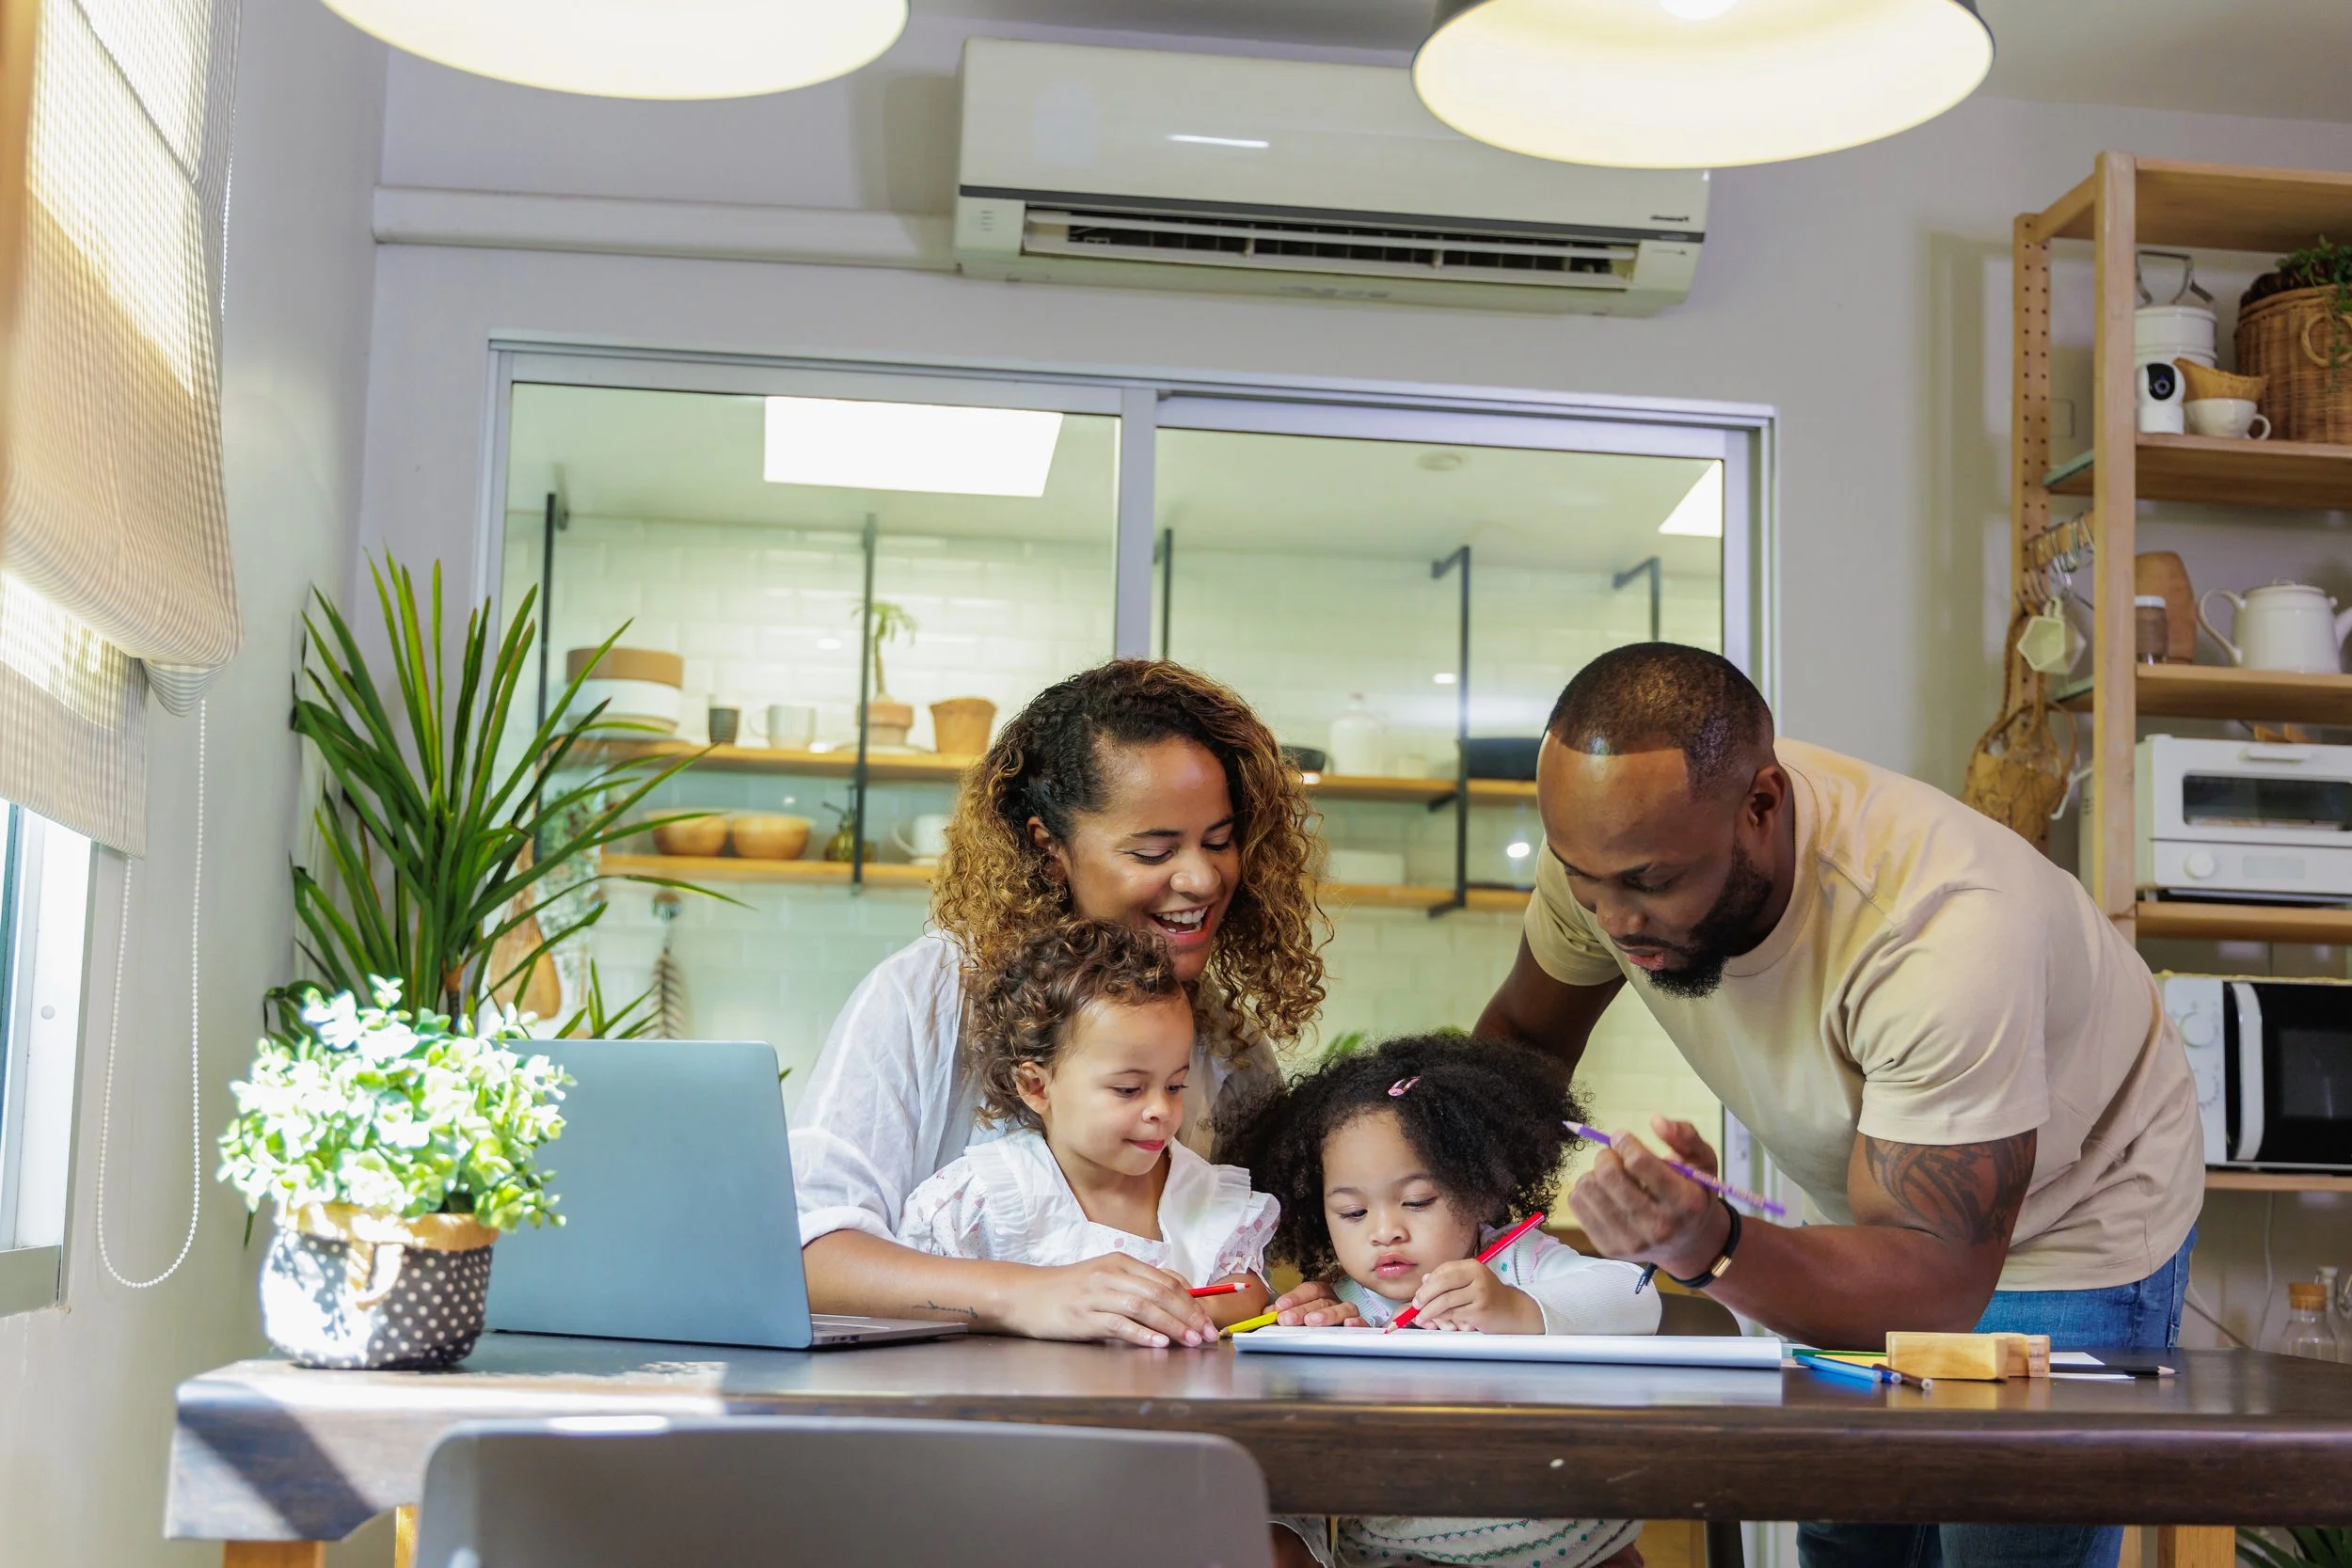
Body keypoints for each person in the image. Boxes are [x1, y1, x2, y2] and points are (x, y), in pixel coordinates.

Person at [1475, 642, 2202, 1568]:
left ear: (1761, 807)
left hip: (2072, 1213)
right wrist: (1433, 1202)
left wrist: (1707, 1242)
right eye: (1584, 877)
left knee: (2000, 1539)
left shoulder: (1939, 929)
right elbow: (1524, 1046)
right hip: (1884, 1210)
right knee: (1852, 1528)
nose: (1613, 917)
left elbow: (1934, 1284)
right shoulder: (1611, 850)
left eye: (1652, 882)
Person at [792, 659, 1360, 1346]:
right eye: (1153, 851)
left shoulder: (1225, 1045)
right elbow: (808, 1256)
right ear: (1049, 847)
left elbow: (1272, 1270)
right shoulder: (929, 999)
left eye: (1219, 840)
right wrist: (1024, 1294)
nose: (1203, 876)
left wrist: (1311, 1299)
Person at [1222, 1034, 1656, 1568]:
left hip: (1578, 1552)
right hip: (1399, 1553)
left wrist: (1519, 1309)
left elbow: (1635, 1296)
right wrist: (1315, 1342)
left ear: (1481, 1189)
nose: (1385, 1231)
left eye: (1417, 1201)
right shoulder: (1345, 1306)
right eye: (1353, 1213)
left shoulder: (1518, 1263)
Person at [898, 918, 1276, 1334]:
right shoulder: (983, 1198)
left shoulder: (1205, 1197)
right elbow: (915, 1302)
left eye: (1174, 1085)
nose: (1161, 1110)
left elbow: (1247, 1288)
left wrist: (1180, 1308)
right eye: (1129, 1089)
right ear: (1036, 1085)